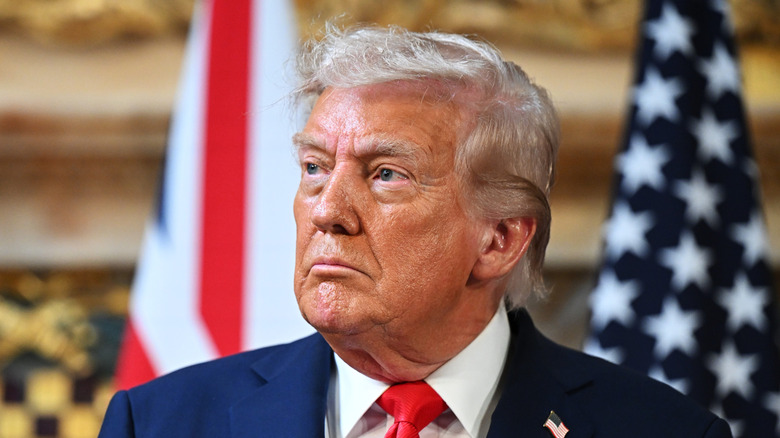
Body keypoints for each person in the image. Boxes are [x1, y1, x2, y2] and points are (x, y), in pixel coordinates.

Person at [98, 25, 732, 438]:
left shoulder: (663, 431)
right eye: (314, 167)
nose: (328, 211)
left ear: (500, 239)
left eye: (386, 175)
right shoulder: (159, 424)